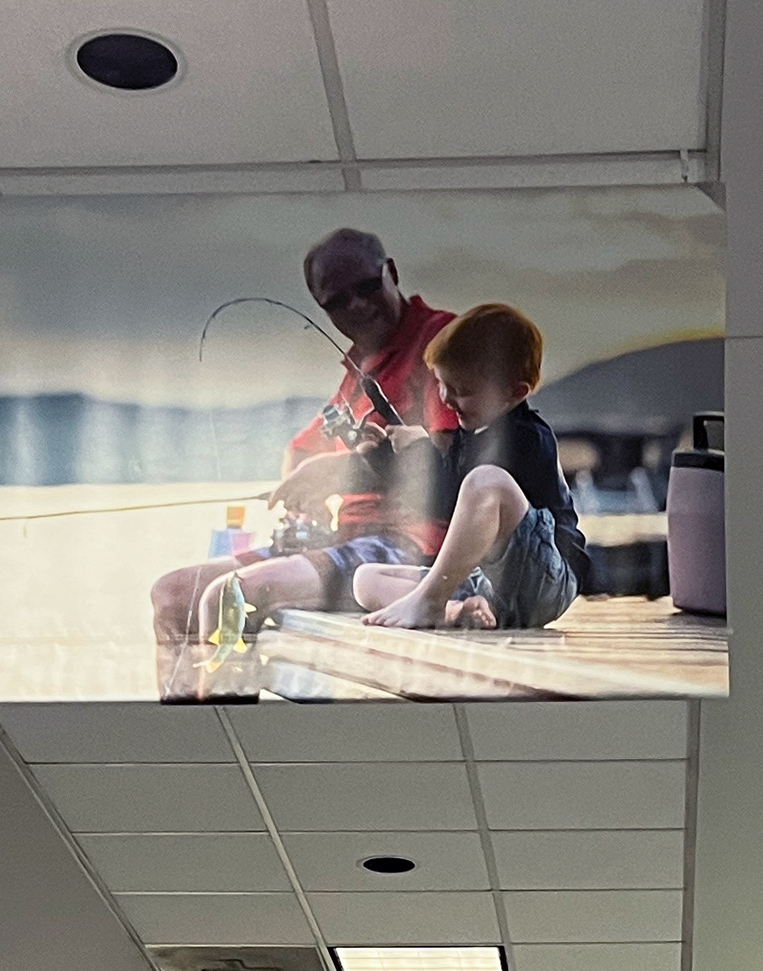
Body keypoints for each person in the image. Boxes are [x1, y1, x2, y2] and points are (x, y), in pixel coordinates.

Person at [146, 228, 457, 697]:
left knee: (234, 598)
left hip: (410, 548)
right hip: (343, 542)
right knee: (171, 595)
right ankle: (189, 740)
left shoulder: (442, 343)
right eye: (337, 301)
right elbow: (303, 448)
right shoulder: (358, 372)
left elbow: (454, 458)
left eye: (367, 287)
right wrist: (302, 492)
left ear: (391, 273)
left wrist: (344, 470)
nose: (356, 306)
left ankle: (230, 732)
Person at [351, 303, 599, 634]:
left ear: (515, 393)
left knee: (486, 481)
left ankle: (429, 601)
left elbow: (470, 491)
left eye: (462, 391)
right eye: (442, 384)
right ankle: (454, 610)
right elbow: (442, 505)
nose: (447, 399)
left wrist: (423, 448)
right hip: (491, 582)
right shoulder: (469, 436)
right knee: (365, 579)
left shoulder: (527, 437)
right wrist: (383, 456)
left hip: (546, 579)